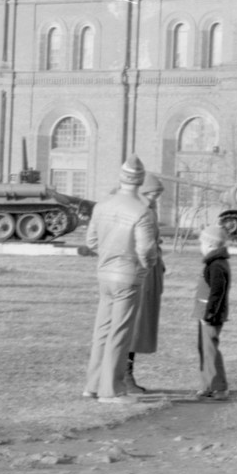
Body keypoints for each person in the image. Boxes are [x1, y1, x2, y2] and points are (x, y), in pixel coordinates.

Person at [82, 156, 159, 403]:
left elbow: (91, 242)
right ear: (139, 181)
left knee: (102, 330)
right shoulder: (142, 212)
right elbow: (146, 249)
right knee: (120, 333)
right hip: (128, 275)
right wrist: (147, 267)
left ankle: (92, 386)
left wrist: (107, 254)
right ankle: (112, 390)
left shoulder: (101, 206)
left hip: (104, 274)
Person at [126, 173, 167, 394]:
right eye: (152, 194)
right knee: (131, 325)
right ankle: (124, 374)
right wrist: (150, 261)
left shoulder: (147, 210)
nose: (154, 198)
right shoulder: (138, 211)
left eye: (157, 195)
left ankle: (125, 373)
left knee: (138, 326)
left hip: (148, 273)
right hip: (138, 273)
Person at [194, 224, 232, 399]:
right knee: (205, 349)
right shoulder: (214, 262)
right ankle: (207, 385)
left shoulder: (216, 265)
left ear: (210, 245)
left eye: (201, 243)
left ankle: (218, 387)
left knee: (210, 350)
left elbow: (218, 292)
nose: (200, 247)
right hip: (206, 314)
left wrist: (210, 314)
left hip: (210, 316)